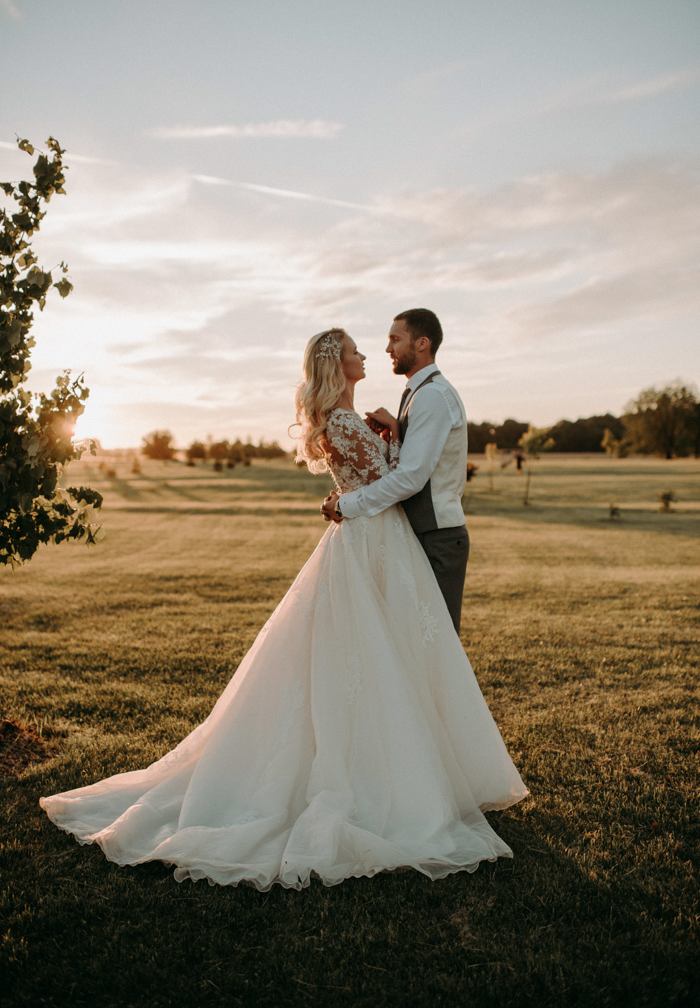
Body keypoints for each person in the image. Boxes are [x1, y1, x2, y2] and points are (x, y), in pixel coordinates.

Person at [40, 328, 527, 892]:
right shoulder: (343, 424)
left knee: (386, 655)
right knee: (368, 656)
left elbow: (386, 473)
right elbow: (393, 482)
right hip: (372, 540)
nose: (366, 355)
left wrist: (387, 438)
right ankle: (385, 781)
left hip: (378, 541)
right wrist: (360, 482)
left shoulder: (353, 420)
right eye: (354, 352)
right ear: (335, 365)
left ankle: (415, 768)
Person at [322, 309, 469, 633]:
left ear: (421, 343)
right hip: (411, 535)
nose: (387, 349)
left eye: (395, 339)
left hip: (435, 537)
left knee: (434, 642)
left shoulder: (430, 396)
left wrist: (346, 504)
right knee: (409, 642)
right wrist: (394, 432)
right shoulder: (418, 394)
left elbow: (410, 477)